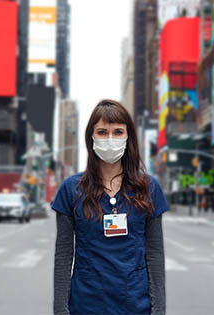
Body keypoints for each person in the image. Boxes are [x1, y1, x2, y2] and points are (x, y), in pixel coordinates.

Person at [52, 99, 169, 314]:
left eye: (117, 132)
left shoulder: (149, 189)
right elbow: (63, 255)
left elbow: (155, 256)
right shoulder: (71, 190)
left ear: (128, 137)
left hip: (136, 305)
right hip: (86, 304)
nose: (110, 139)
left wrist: (159, 310)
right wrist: (60, 310)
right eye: (102, 132)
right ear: (91, 137)